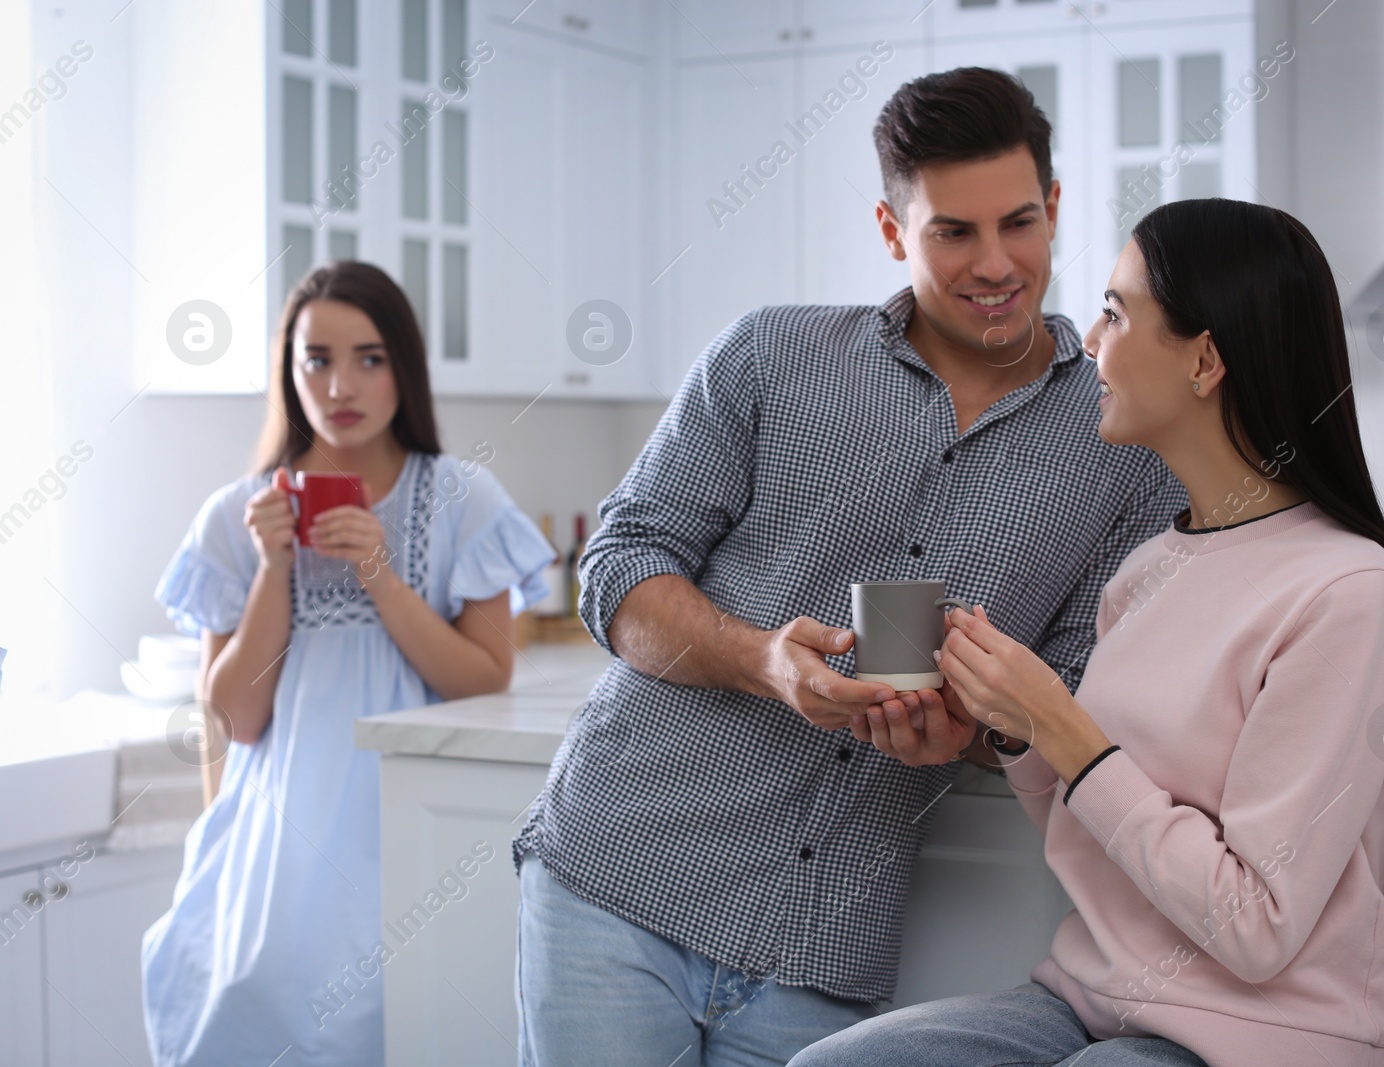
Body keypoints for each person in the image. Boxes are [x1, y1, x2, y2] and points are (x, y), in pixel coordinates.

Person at [512, 68, 1188, 1065]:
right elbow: (617, 566)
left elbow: (1073, 700)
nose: (995, 262)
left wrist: (971, 731)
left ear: (1053, 208)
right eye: (952, 232)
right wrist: (760, 659)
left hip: (824, 947)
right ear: (890, 229)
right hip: (621, 876)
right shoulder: (768, 356)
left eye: (1017, 222)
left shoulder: (1123, 449)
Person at [792, 198, 1384, 1067]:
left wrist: (1066, 730)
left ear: (1205, 359)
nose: (1091, 344)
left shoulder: (1345, 593)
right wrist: (1016, 725)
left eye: (1115, 311)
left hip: (1265, 1037)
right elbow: (1096, 826)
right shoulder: (1148, 570)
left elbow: (1257, 928)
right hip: (1096, 1001)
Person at [141, 261, 555, 1067]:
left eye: (370, 356)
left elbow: (482, 677)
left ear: (404, 365)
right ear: (288, 371)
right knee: (243, 1009)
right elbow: (233, 717)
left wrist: (379, 575)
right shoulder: (236, 514)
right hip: (274, 843)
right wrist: (274, 570)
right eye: (317, 358)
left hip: (414, 817)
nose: (341, 383)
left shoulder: (463, 497)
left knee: (399, 1019)